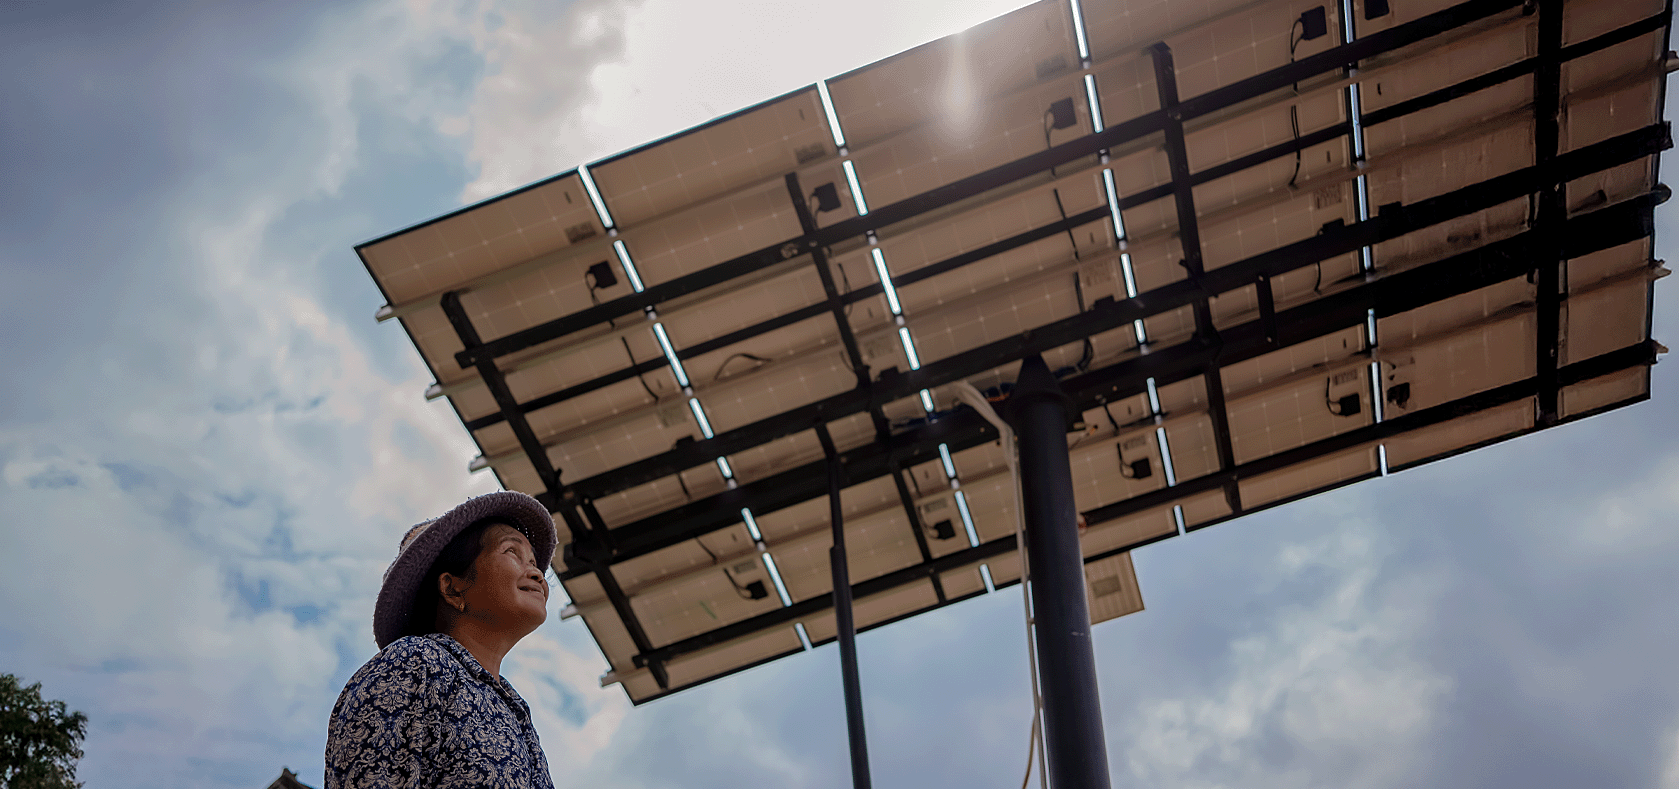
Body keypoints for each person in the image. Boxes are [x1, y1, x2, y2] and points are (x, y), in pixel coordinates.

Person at [325, 491, 558, 789]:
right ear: (452, 589)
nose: (537, 574)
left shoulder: (514, 707)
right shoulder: (413, 664)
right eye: (512, 552)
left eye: (534, 561)